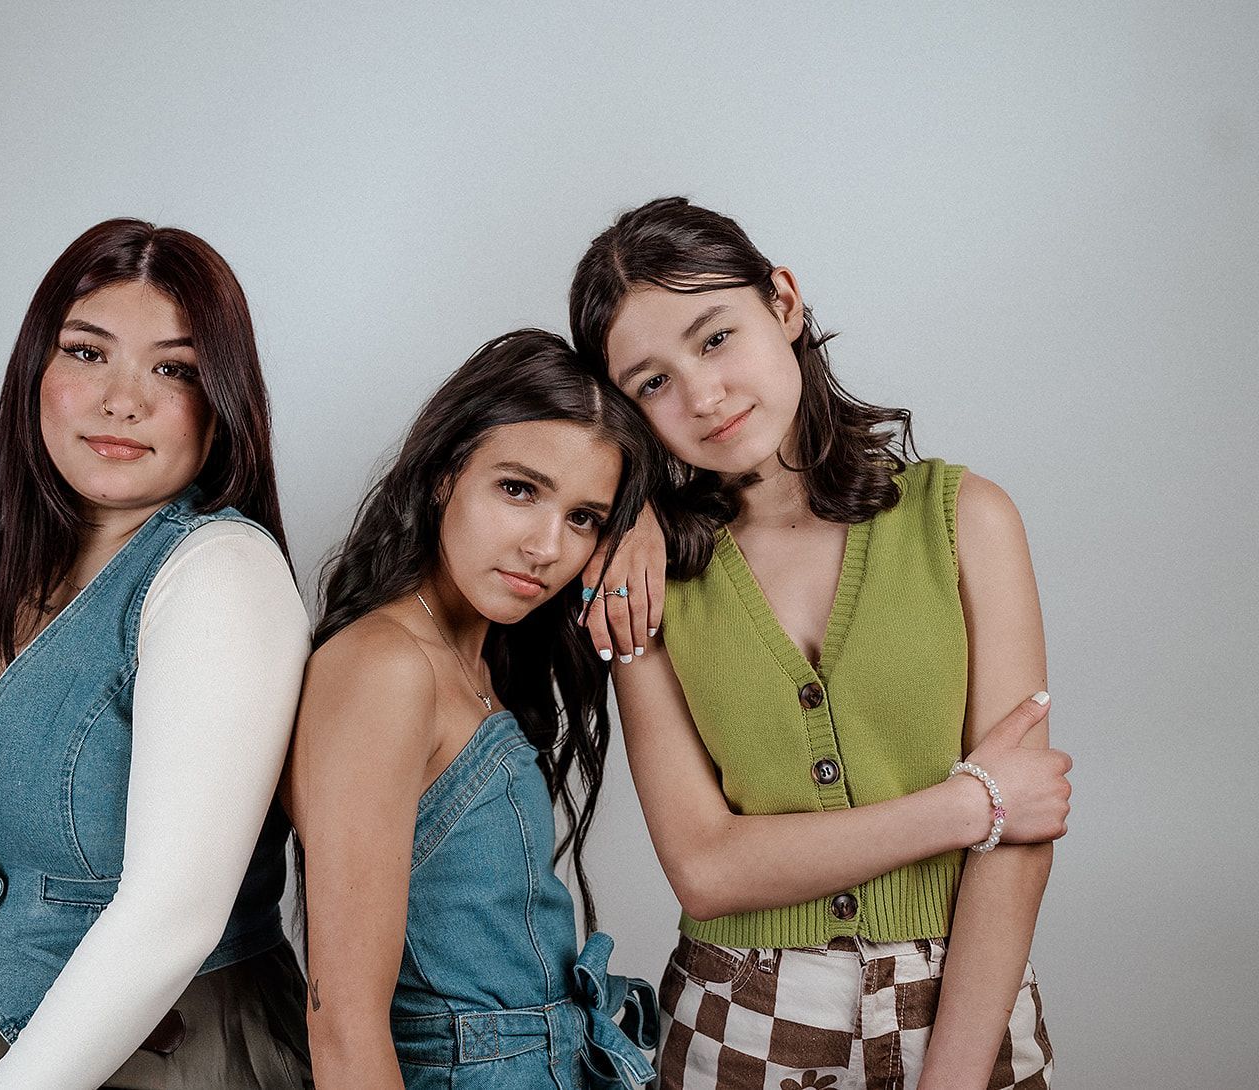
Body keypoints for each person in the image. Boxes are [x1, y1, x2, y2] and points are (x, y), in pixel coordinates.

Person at [568, 197, 1069, 1089]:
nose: (702, 396)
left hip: (967, 1012)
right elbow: (706, 869)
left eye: (714, 337)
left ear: (785, 302)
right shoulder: (645, 582)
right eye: (651, 382)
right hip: (740, 1023)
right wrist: (969, 807)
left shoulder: (965, 522)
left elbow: (1022, 842)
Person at [0, 219, 313, 1089]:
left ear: (223, 402)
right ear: (36, 373)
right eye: (87, 353)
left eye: (172, 368)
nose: (121, 400)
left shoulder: (221, 573)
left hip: (183, 1058)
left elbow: (171, 917)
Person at [286, 330, 664, 1089]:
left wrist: (644, 517)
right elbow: (344, 1023)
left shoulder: (478, 659)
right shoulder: (384, 667)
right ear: (444, 474)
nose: (546, 546)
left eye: (584, 517)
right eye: (518, 490)